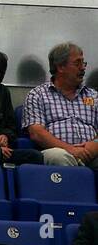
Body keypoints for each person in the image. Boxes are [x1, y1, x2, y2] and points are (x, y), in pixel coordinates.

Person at [24, 42, 98, 171]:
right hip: (58, 152)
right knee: (59, 157)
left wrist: (95, 145)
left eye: (83, 63)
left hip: (92, 153)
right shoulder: (38, 94)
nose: (83, 68)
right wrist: (70, 149)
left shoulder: (93, 96)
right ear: (61, 67)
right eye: (77, 63)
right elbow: (36, 133)